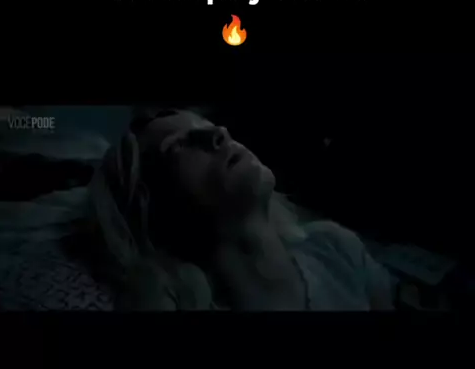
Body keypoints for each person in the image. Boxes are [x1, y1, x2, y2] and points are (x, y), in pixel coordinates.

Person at [90, 107, 395, 310]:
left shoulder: (336, 248)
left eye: (207, 125)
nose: (219, 133)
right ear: (156, 211)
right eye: (178, 146)